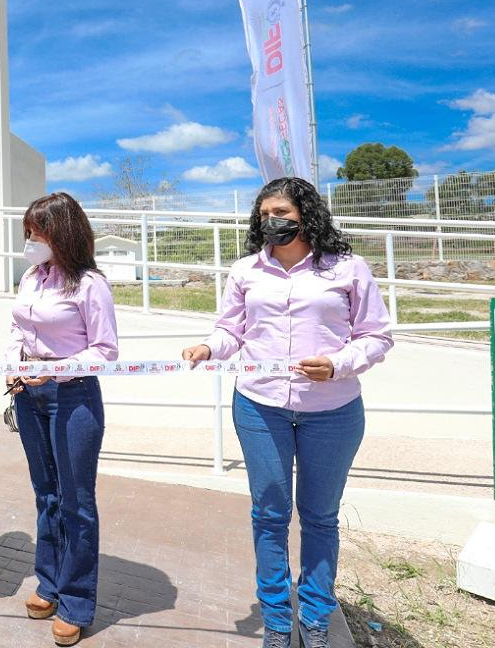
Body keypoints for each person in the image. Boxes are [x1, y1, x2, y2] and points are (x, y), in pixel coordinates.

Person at [181, 177, 393, 648]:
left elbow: (377, 336)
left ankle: (315, 616)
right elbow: (231, 330)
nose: (271, 222)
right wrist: (208, 347)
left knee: (320, 517)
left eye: (281, 213)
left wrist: (338, 364)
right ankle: (277, 619)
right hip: (261, 407)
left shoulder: (347, 269)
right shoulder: (246, 271)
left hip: (332, 411)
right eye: (264, 215)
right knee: (269, 515)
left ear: (306, 215)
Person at [5, 192, 118, 647]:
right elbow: (18, 328)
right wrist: (13, 363)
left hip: (73, 395)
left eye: (38, 232)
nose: (30, 240)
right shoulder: (31, 277)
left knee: (76, 501)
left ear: (63, 233)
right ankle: (49, 583)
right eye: (28, 231)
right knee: (46, 495)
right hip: (28, 394)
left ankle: (76, 601)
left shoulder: (90, 285)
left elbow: (105, 350)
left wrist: (55, 370)